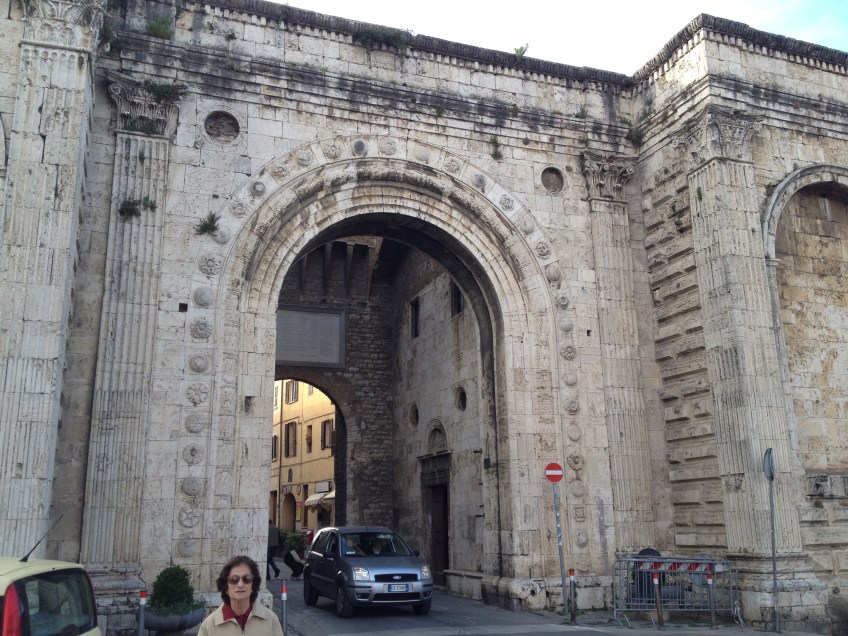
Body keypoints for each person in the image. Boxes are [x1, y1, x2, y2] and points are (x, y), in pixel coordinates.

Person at [198, 555, 283, 636]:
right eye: (234, 579)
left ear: (253, 586)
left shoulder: (271, 620)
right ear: (226, 588)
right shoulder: (209, 626)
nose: (240, 585)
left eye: (247, 578)